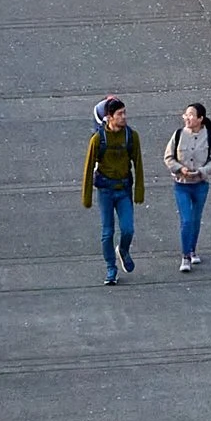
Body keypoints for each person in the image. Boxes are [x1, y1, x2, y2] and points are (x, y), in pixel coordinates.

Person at [82, 96, 144, 282]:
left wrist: (139, 190)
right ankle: (111, 268)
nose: (124, 117)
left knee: (128, 230)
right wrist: (87, 196)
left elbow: (138, 163)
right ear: (109, 117)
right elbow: (88, 167)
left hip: (124, 190)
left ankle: (123, 250)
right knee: (107, 232)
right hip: (106, 191)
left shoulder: (131, 136)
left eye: (124, 113)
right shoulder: (98, 139)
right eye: (120, 114)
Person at [164, 101, 211, 269]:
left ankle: (193, 250)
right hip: (182, 184)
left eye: (191, 115)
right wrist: (181, 169)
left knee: (195, 219)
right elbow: (168, 157)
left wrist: (202, 171)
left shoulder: (209, 135)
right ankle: (185, 256)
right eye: (186, 114)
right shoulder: (178, 134)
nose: (187, 118)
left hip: (200, 184)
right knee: (186, 220)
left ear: (200, 118)